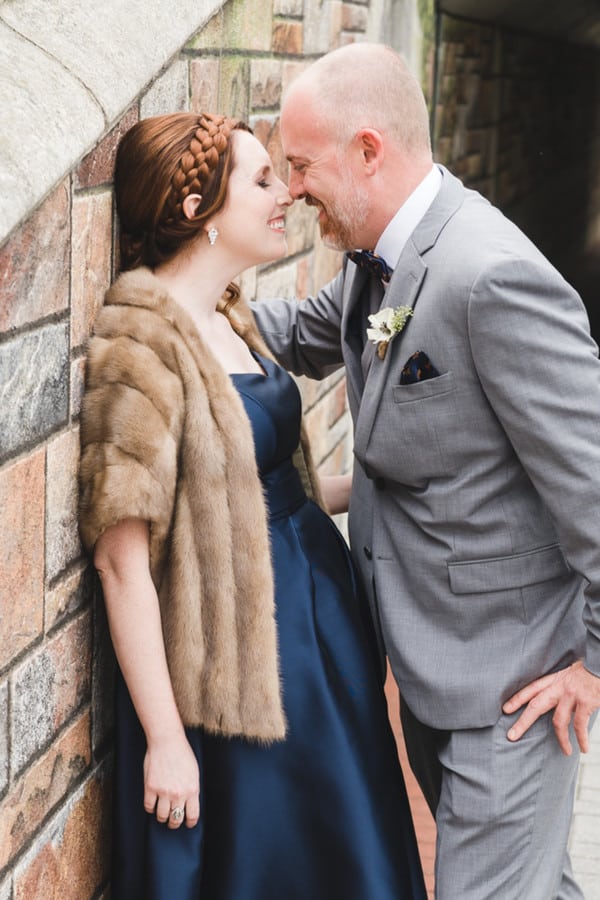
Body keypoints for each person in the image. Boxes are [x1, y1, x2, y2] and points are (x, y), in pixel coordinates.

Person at [250, 42, 600, 900]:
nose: (292, 189)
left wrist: (593, 665)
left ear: (368, 150)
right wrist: (183, 299)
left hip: (514, 690)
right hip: (428, 674)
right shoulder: (379, 260)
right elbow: (299, 333)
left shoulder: (492, 277)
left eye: (301, 165)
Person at [78, 111, 427, 900]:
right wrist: (166, 739)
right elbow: (121, 562)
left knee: (346, 851)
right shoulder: (140, 347)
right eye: (262, 180)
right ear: (197, 208)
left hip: (315, 642)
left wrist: (395, 484)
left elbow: (267, 485)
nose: (286, 195)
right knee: (263, 859)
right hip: (233, 665)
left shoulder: (229, 317)